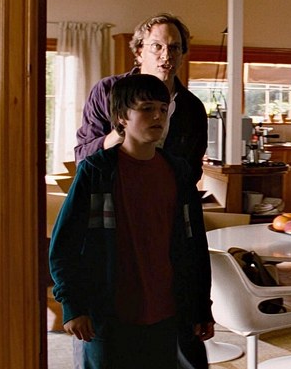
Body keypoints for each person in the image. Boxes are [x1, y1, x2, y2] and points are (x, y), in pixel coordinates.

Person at [50, 74, 215, 369]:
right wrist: (72, 304)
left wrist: (202, 306)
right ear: (121, 117)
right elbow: (65, 244)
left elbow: (195, 247)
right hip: (108, 314)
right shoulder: (96, 172)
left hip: (167, 313)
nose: (158, 116)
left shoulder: (178, 172)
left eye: (163, 109)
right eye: (146, 108)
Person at [75, 12, 208, 183]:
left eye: (175, 47)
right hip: (111, 192)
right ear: (139, 52)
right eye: (157, 46)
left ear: (182, 54)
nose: (166, 55)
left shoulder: (193, 107)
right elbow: (83, 157)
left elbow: (193, 170)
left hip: (165, 196)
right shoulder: (107, 91)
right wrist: (120, 134)